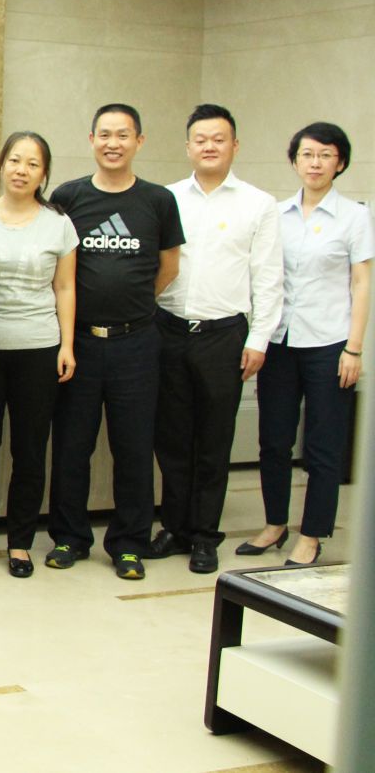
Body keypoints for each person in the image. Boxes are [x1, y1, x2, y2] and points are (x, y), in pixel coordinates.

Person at [47, 103, 183, 580]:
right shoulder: (68, 196)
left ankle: (129, 544)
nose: (113, 143)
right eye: (104, 134)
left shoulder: (158, 200)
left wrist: (134, 303)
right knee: (71, 447)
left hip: (137, 343)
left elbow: (169, 266)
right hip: (79, 342)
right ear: (91, 140)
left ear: (139, 142)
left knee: (133, 448)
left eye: (123, 135)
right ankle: (69, 538)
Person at [149, 105, 283, 573]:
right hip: (168, 329)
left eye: (218, 139)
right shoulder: (166, 198)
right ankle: (175, 528)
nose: (209, 146)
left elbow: (268, 277)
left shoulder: (258, 204)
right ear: (188, 146)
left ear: (235, 146)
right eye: (201, 139)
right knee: (171, 439)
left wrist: (259, 339)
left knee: (213, 440)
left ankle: (205, 535)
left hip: (224, 335)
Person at [242, 122, 371, 566]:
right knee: (273, 440)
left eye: (325, 155)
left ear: (340, 163)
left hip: (329, 344)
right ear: (295, 160)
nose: (315, 163)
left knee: (322, 445)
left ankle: (313, 534)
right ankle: (275, 523)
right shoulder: (275, 215)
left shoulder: (355, 217)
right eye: (307, 154)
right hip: (280, 340)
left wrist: (354, 348)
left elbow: (362, 283)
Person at [0, 131, 77, 580]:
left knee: (30, 451)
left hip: (39, 349)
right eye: (14, 160)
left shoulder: (58, 223)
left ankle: (21, 541)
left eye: (32, 163)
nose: (21, 170)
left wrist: (67, 345)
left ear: (44, 173)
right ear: (1, 164)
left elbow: (64, 287)